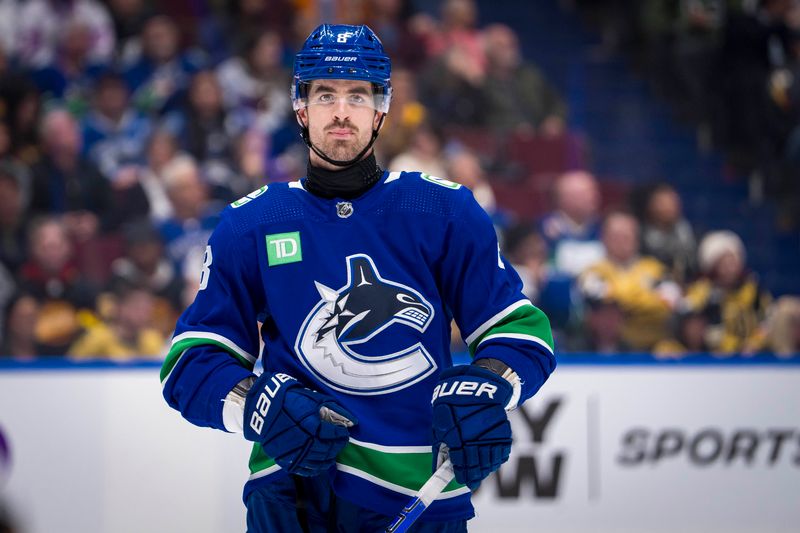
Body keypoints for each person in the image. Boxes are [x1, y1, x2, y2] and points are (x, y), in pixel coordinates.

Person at [160, 24, 555, 532]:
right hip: (294, 494)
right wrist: (254, 406)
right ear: (301, 109)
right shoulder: (253, 223)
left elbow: (520, 333)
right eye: (324, 95)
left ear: (381, 108)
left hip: (420, 493)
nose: (341, 112)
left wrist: (487, 387)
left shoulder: (443, 210)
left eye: (357, 95)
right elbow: (190, 363)